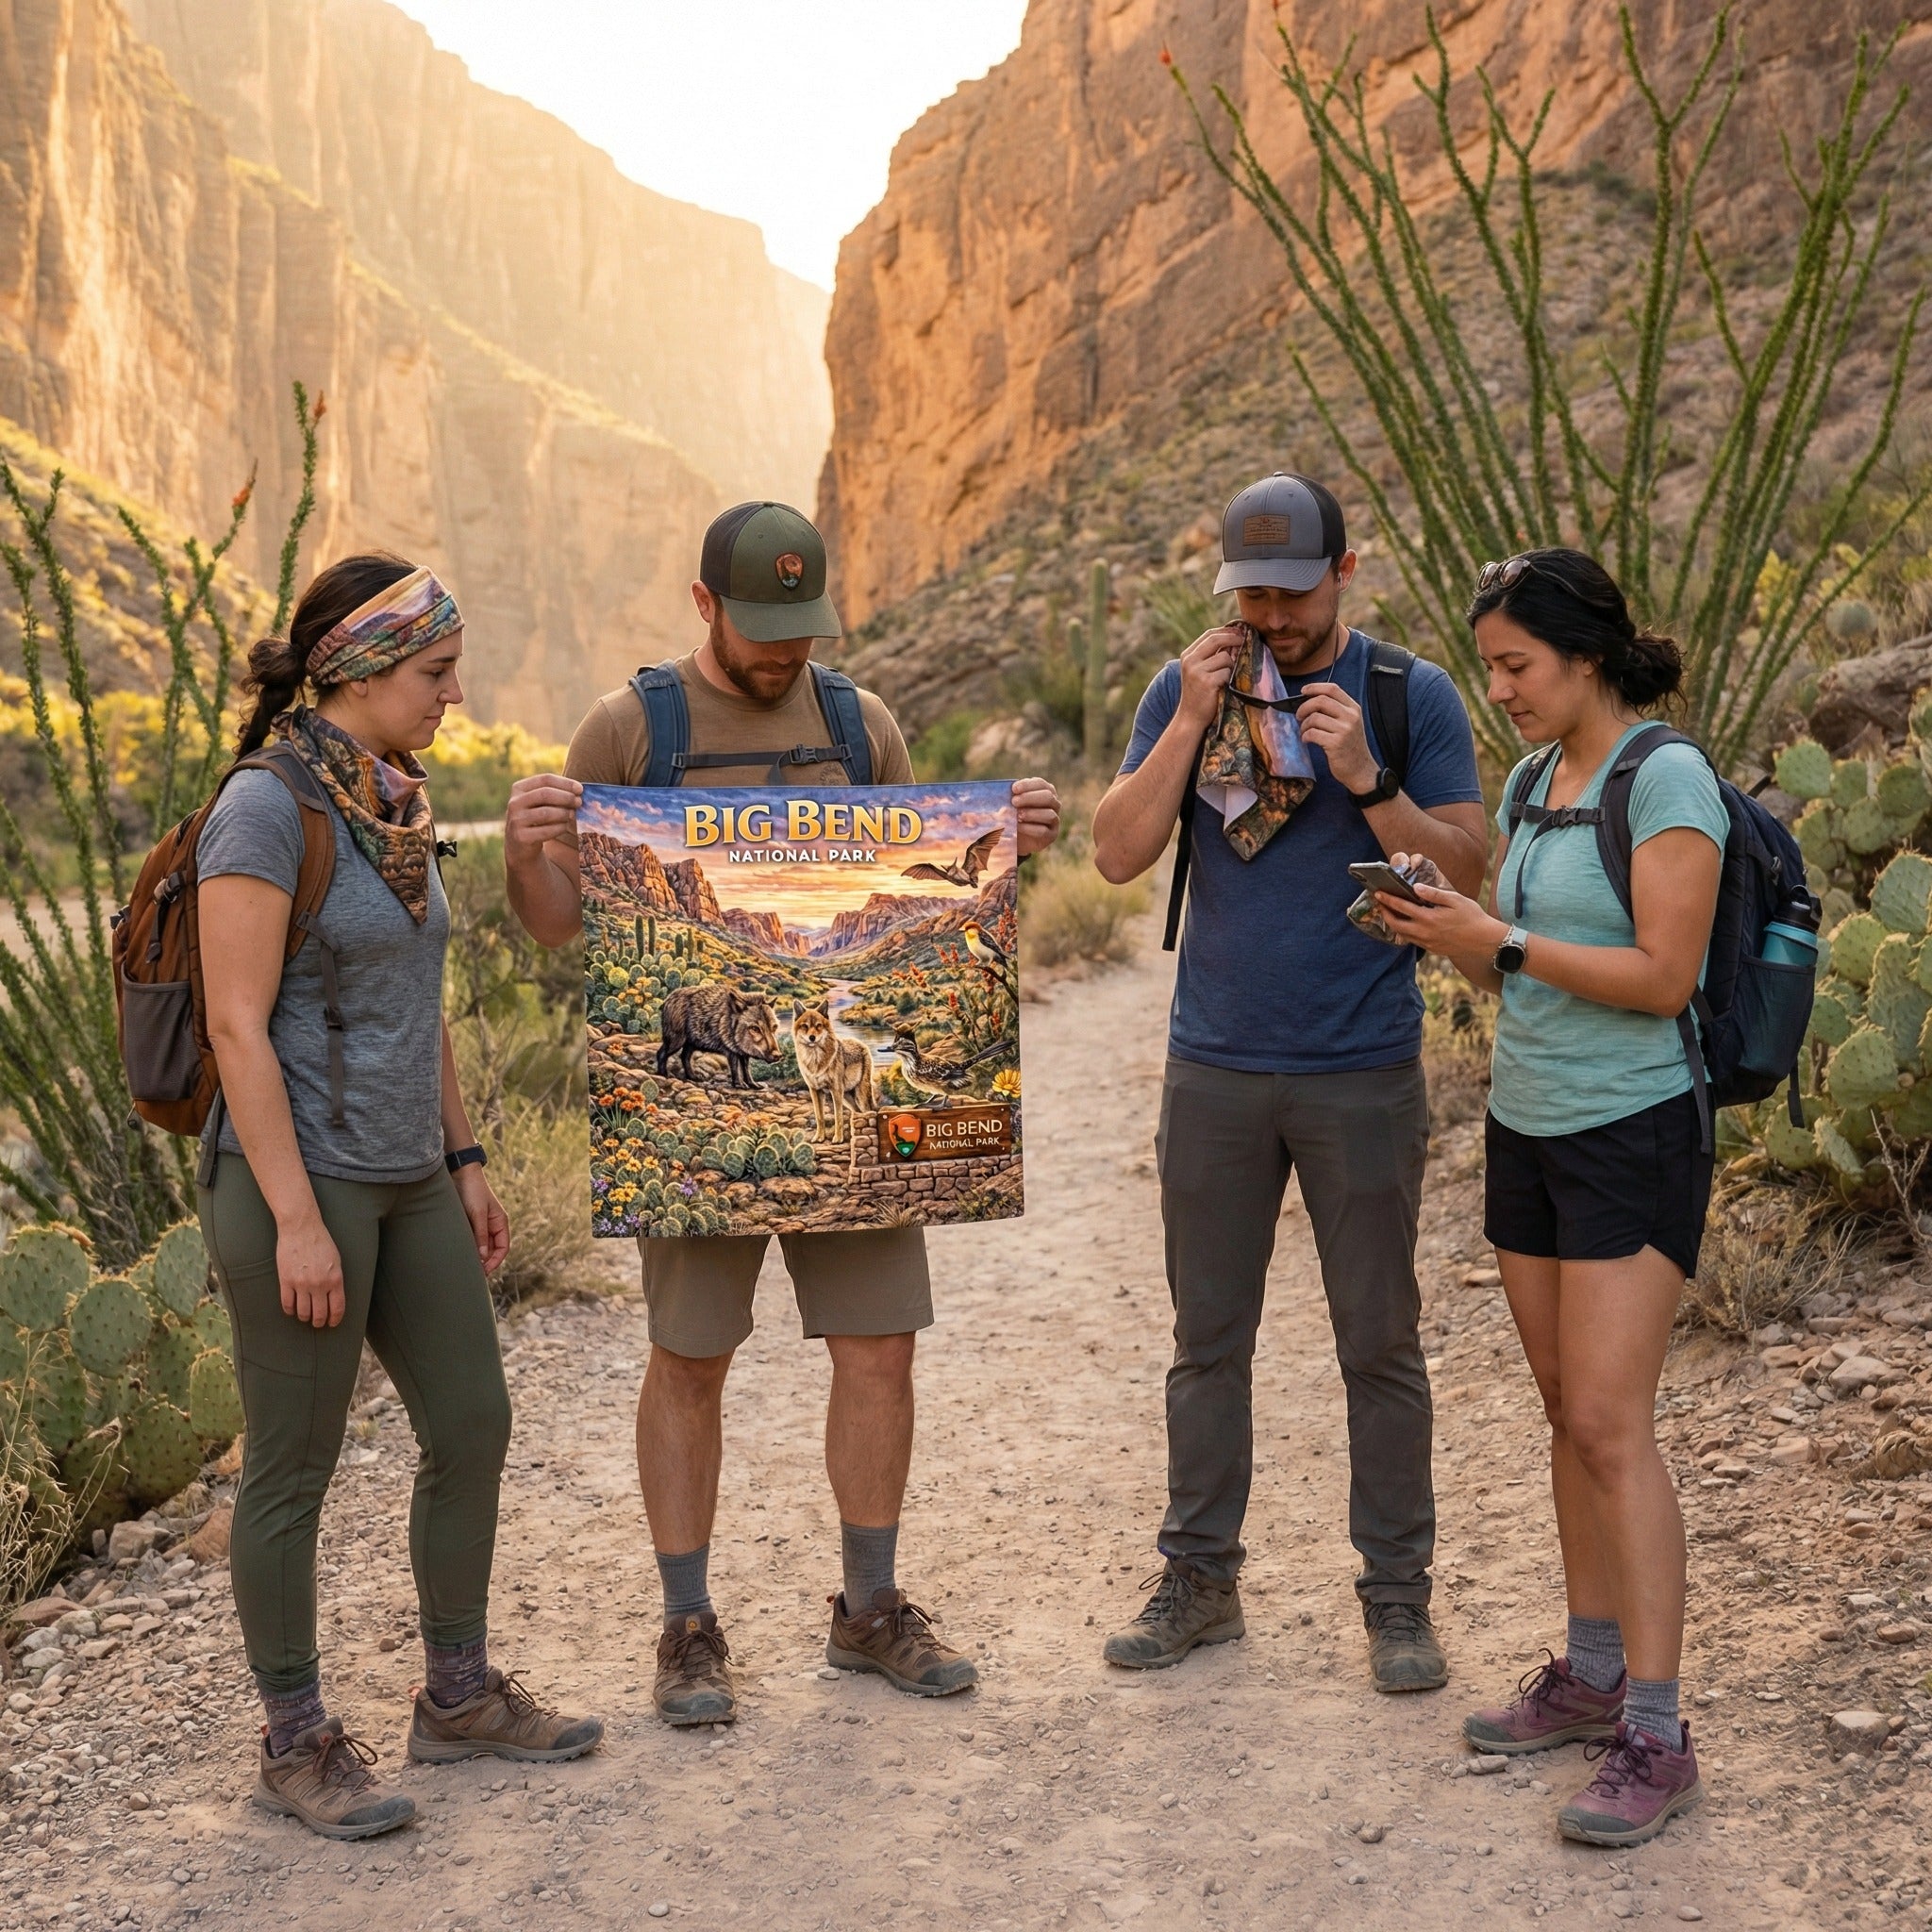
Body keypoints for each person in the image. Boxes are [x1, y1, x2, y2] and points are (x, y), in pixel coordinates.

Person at [503, 500, 1062, 1725]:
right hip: (695, 1136)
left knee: (878, 1345)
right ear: (705, 605)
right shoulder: (626, 730)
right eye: (762, 628)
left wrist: (1005, 846)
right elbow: (554, 926)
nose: (785, 652)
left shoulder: (863, 724)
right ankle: (686, 1626)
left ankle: (869, 1608)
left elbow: (935, 885)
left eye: (802, 628)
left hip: (845, 1115)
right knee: (691, 1356)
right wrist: (527, 847)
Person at [197, 556, 603, 1842]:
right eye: (435, 673)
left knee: (472, 1421)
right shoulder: (266, 810)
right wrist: (300, 1219)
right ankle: (297, 1740)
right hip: (295, 1187)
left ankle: (459, 1695)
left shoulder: (394, 803)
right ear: (362, 670)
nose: (454, 695)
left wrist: (468, 1159)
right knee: (294, 1470)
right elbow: (234, 1024)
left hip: (408, 1175)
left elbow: (410, 1005)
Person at [1091, 473, 1487, 1690]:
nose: (1267, 615)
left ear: (1345, 572)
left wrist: (1367, 776)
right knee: (1208, 1341)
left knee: (1380, 1343)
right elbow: (1115, 853)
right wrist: (1182, 721)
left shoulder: (1405, 694)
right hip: (1212, 1068)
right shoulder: (1188, 682)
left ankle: (1398, 1599)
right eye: (1247, 592)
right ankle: (1200, 1581)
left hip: (1360, 1068)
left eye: (1290, 591)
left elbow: (1471, 867)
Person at [1371, 547, 1724, 1847]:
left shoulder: (1669, 780)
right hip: (1527, 1125)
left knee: (1613, 1421)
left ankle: (1660, 1731)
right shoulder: (1530, 782)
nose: (1501, 688)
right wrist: (1448, 931)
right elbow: (1509, 975)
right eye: (1493, 666)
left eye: (1517, 665)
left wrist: (1501, 939)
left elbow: (1664, 976)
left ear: (1586, 654)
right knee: (1564, 1417)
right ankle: (1589, 1673)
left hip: (1632, 1133)